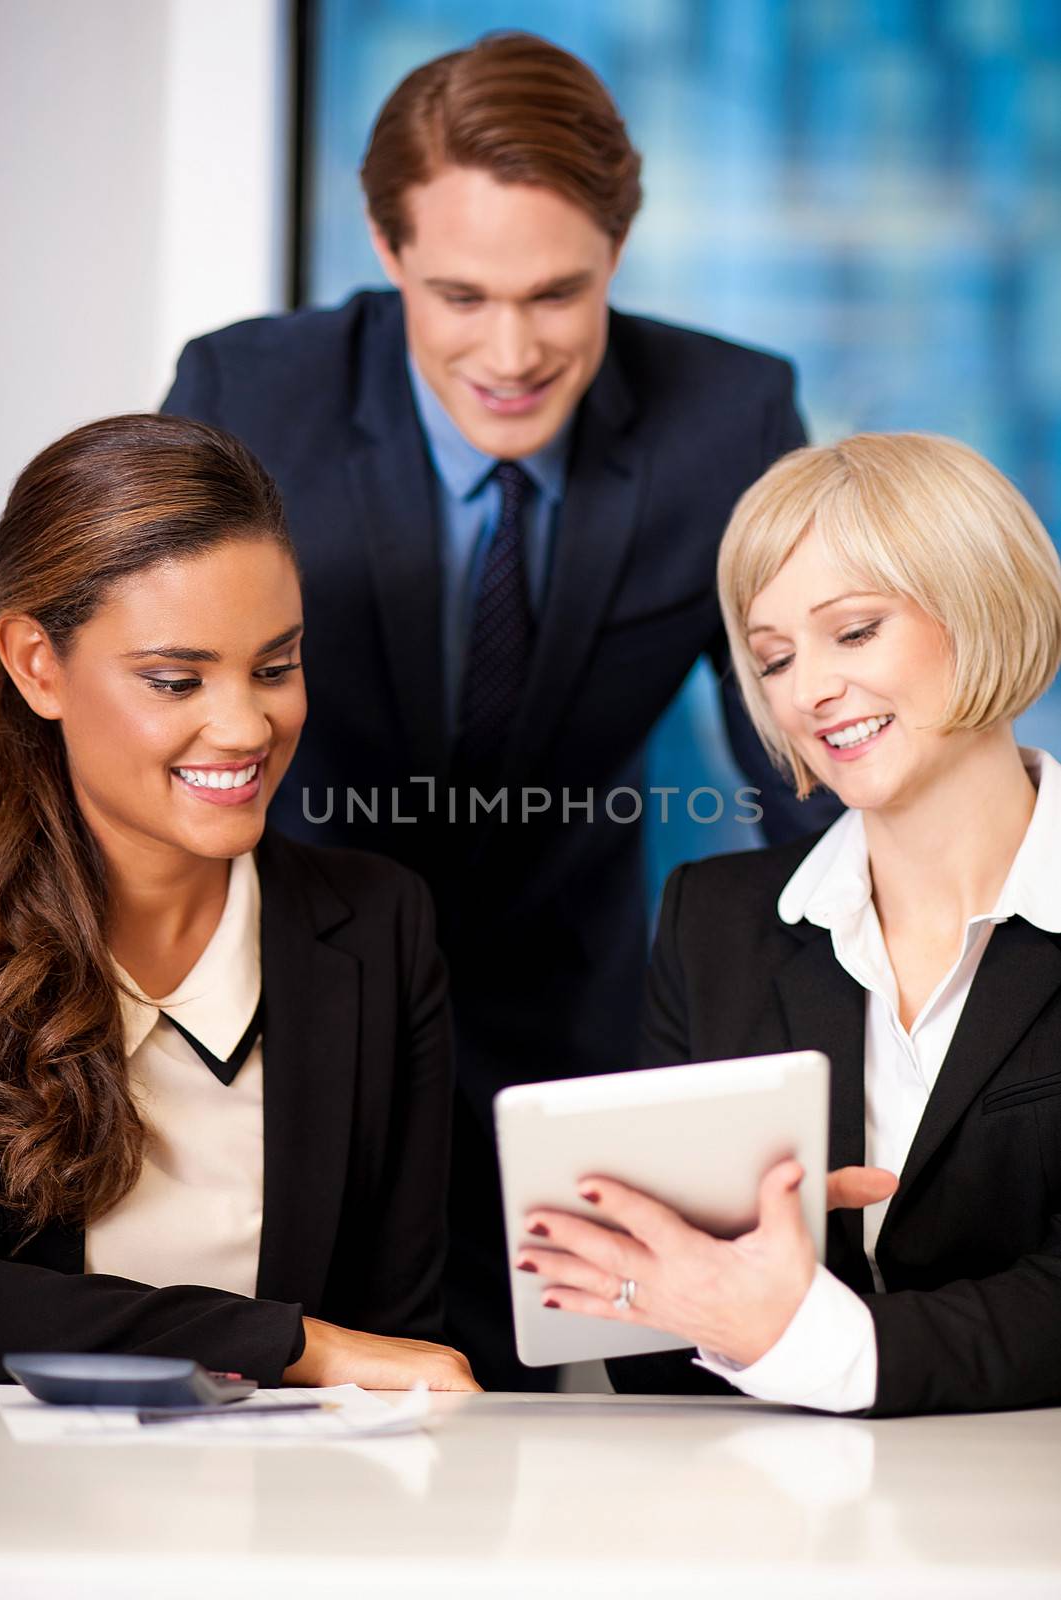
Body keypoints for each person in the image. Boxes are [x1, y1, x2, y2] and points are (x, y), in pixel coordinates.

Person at [162, 30, 839, 1389]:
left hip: (570, 1005)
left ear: (618, 251)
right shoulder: (252, 397)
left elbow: (805, 754)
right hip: (299, 995)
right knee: (337, 1407)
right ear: (384, 243)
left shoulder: (728, 414)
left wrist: (848, 1040)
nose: (512, 351)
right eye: (460, 295)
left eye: (558, 293)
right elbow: (146, 714)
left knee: (658, 1395)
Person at [515, 432, 1061, 1416]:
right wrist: (709, 1287)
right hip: (776, 1516)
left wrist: (807, 1334)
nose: (806, 693)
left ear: (982, 605)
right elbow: (652, 1340)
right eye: (772, 658)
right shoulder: (712, 920)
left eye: (853, 631)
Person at [0, 413, 477, 1393]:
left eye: (275, 666)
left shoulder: (379, 927)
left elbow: (403, 1348)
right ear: (37, 664)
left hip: (286, 1528)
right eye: (176, 679)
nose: (245, 724)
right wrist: (295, 1343)